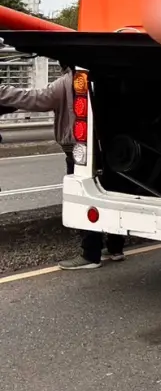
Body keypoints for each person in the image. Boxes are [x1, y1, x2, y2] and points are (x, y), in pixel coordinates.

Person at [0, 65, 125, 269]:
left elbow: (37, 99)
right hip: (107, 146)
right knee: (109, 194)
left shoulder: (71, 79)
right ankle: (115, 248)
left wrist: (3, 92)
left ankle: (90, 254)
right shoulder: (104, 75)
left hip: (78, 150)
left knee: (84, 199)